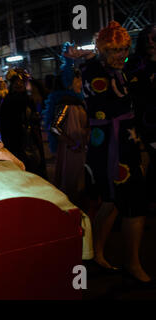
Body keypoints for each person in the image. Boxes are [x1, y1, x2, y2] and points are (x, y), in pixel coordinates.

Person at [68, 21, 154, 287]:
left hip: (123, 143)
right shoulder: (95, 70)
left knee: (112, 202)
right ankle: (131, 263)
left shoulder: (125, 70)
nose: (121, 55)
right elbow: (107, 101)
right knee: (131, 204)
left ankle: (94, 252)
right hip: (109, 148)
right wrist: (89, 57)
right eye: (115, 50)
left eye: (124, 49)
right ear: (104, 50)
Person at [43, 42, 90, 208]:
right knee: (71, 185)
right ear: (70, 82)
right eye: (78, 80)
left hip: (82, 148)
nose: (80, 83)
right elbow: (54, 127)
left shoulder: (80, 102)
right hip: (70, 151)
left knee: (82, 183)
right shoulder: (65, 103)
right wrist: (72, 142)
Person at [125, 24, 156, 217]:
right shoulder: (137, 65)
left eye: (154, 39)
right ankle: (149, 201)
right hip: (147, 124)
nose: (150, 42)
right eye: (148, 39)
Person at [0, 68, 47, 178]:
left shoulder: (28, 98)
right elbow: (5, 123)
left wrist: (30, 77)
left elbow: (42, 92)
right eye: (16, 82)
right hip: (15, 139)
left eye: (21, 82)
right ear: (11, 84)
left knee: (34, 167)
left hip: (31, 138)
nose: (19, 85)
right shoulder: (8, 100)